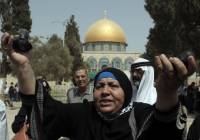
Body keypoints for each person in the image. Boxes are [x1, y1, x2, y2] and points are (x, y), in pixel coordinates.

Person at [1, 32, 197, 140]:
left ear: (127, 91)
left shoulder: (139, 115)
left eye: (113, 85)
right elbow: (43, 107)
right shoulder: (84, 115)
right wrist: (24, 65)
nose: (105, 91)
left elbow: (165, 122)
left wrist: (168, 92)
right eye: (99, 86)